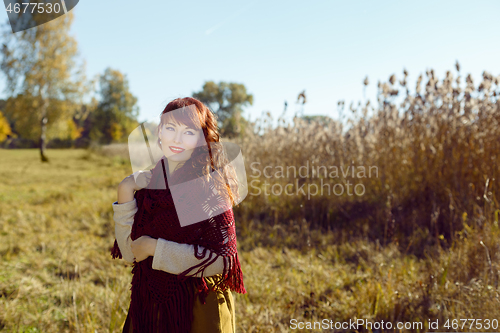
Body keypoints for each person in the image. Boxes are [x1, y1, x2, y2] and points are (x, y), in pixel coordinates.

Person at [110, 97, 246, 333]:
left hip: (198, 306)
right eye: (170, 128)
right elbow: (130, 252)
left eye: (188, 132)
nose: (177, 139)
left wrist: (156, 248)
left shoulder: (209, 185)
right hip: (148, 305)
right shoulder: (148, 182)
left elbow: (223, 261)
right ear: (160, 132)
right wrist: (125, 190)